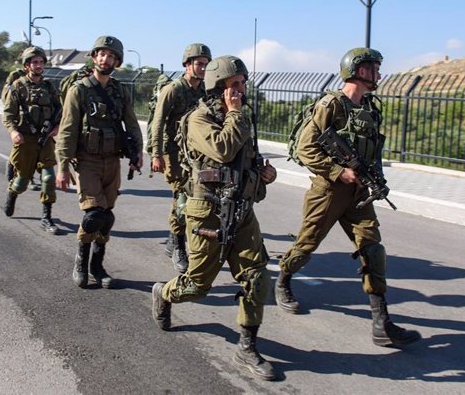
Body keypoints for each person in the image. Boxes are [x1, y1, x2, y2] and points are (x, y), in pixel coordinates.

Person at [275, 48, 421, 349]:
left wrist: (376, 180)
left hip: (358, 192)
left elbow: (374, 152)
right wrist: (338, 171)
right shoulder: (331, 104)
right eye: (374, 68)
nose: (379, 73)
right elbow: (306, 148)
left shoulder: (370, 107)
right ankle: (283, 280)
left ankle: (382, 323)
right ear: (358, 70)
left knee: (373, 249)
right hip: (328, 191)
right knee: (306, 244)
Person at [151, 56, 278, 381]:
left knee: (257, 278)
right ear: (218, 87)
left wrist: (264, 173)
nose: (240, 90)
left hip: (242, 211)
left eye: (242, 83)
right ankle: (164, 293)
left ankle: (247, 347)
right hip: (208, 212)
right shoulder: (199, 118)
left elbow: (243, 162)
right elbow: (222, 150)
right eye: (234, 84)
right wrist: (236, 115)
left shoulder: (241, 117)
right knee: (196, 285)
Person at [55, 35, 143, 289]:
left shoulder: (119, 91)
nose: (106, 59)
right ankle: (81, 261)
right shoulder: (79, 90)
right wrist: (62, 167)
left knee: (107, 216)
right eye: (102, 54)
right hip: (87, 161)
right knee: (93, 214)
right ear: (94, 58)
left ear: (117, 61)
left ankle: (97, 264)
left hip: (112, 160)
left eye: (111, 55)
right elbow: (68, 130)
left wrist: (137, 153)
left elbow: (131, 123)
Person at [148, 43, 212, 273]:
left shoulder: (204, 91)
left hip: (195, 154)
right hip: (173, 153)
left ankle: (172, 239)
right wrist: (157, 154)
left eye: (206, 64)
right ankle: (178, 245)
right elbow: (157, 124)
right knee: (182, 197)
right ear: (187, 65)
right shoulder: (173, 90)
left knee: (193, 195)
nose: (203, 68)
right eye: (199, 64)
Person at [1, 46, 61, 234]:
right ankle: (12, 194)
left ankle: (46, 217)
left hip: (45, 140)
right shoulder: (18, 86)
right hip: (25, 141)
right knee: (21, 182)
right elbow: (8, 115)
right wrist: (13, 132)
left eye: (41, 62)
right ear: (27, 65)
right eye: (35, 62)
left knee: (49, 177)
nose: (38, 65)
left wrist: (57, 127)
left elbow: (60, 111)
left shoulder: (50, 87)